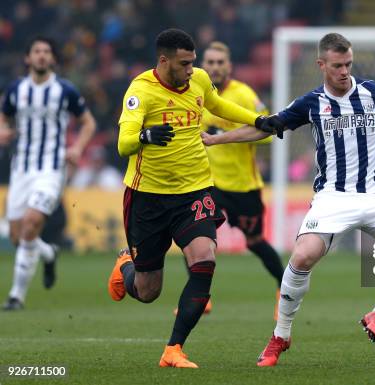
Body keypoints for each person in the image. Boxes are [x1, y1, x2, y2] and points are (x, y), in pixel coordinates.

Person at [203, 32, 375, 367]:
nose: (344, 71)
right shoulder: (310, 103)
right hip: (333, 199)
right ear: (321, 65)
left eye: (349, 64)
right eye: (338, 65)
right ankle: (280, 335)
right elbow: (265, 128)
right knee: (302, 256)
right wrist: (217, 140)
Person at [106, 28, 282, 369]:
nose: (192, 70)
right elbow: (123, 144)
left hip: (194, 190)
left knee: (205, 260)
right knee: (147, 291)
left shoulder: (199, 80)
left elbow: (218, 105)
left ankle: (174, 349)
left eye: (193, 63)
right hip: (148, 198)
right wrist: (145, 135)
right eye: (185, 64)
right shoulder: (141, 91)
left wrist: (258, 119)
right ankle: (125, 265)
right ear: (164, 61)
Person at [0, 36, 96, 310]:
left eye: (46, 52)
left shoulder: (65, 90)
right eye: (36, 51)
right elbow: (3, 116)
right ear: (28, 58)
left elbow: (88, 122)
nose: (41, 56)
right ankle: (48, 251)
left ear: (52, 59)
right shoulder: (16, 89)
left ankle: (16, 296)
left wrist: (76, 148)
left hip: (51, 169)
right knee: (18, 236)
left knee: (31, 223)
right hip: (21, 168)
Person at [201, 41, 284, 319]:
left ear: (229, 67)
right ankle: (200, 297)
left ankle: (284, 289)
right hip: (209, 184)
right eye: (209, 62)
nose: (214, 67)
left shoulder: (244, 95)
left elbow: (268, 131)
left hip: (243, 186)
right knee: (201, 238)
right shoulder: (197, 96)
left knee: (255, 242)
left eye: (219, 62)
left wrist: (221, 138)